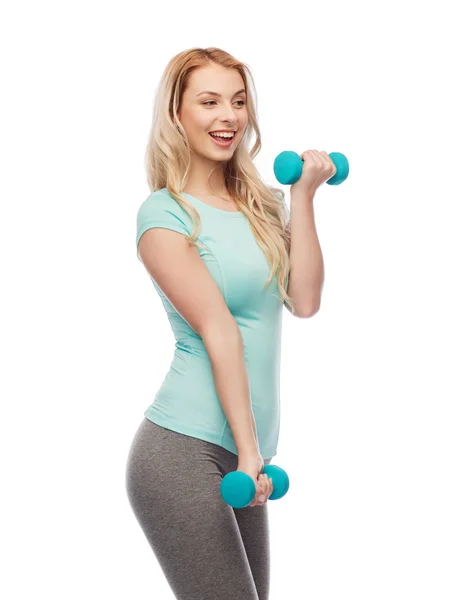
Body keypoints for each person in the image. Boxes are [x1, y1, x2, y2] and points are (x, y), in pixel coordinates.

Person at [125, 47, 304, 600]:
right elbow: (219, 328)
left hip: (243, 449)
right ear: (178, 114)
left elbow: (305, 299)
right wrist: (250, 455)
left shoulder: (260, 207)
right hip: (182, 451)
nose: (228, 116)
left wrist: (305, 196)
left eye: (238, 101)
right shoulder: (165, 214)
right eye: (209, 102)